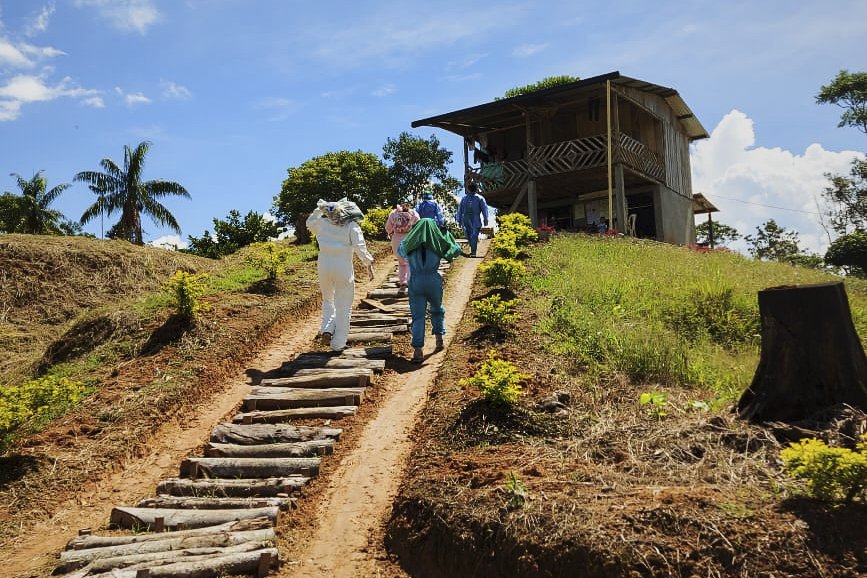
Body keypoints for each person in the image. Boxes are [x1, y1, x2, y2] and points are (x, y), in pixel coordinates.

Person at [306, 197, 375, 352]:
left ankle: (327, 328)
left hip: (324, 266)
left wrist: (319, 208)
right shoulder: (351, 225)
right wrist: (368, 264)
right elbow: (360, 246)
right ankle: (337, 344)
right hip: (343, 267)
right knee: (343, 305)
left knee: (328, 300)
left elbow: (309, 223)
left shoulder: (321, 223)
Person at [398, 218, 463, 363]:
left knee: (418, 316)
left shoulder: (410, 243)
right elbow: (456, 250)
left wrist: (410, 235)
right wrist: (446, 234)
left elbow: (399, 250)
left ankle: (418, 350)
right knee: (437, 309)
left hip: (415, 280)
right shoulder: (437, 242)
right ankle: (439, 339)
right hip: (433, 279)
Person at [384, 201, 419, 287]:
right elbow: (418, 226)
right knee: (410, 262)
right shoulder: (413, 213)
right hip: (410, 239)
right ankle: (410, 281)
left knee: (401, 262)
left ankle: (402, 281)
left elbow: (388, 229)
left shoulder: (393, 213)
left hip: (397, 240)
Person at [457, 182, 489, 257]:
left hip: (475, 218)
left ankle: (473, 252)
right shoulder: (464, 198)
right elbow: (460, 209)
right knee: (467, 234)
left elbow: (484, 209)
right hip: (466, 218)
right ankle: (473, 247)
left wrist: (485, 219)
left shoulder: (479, 198)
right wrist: (459, 220)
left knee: (474, 235)